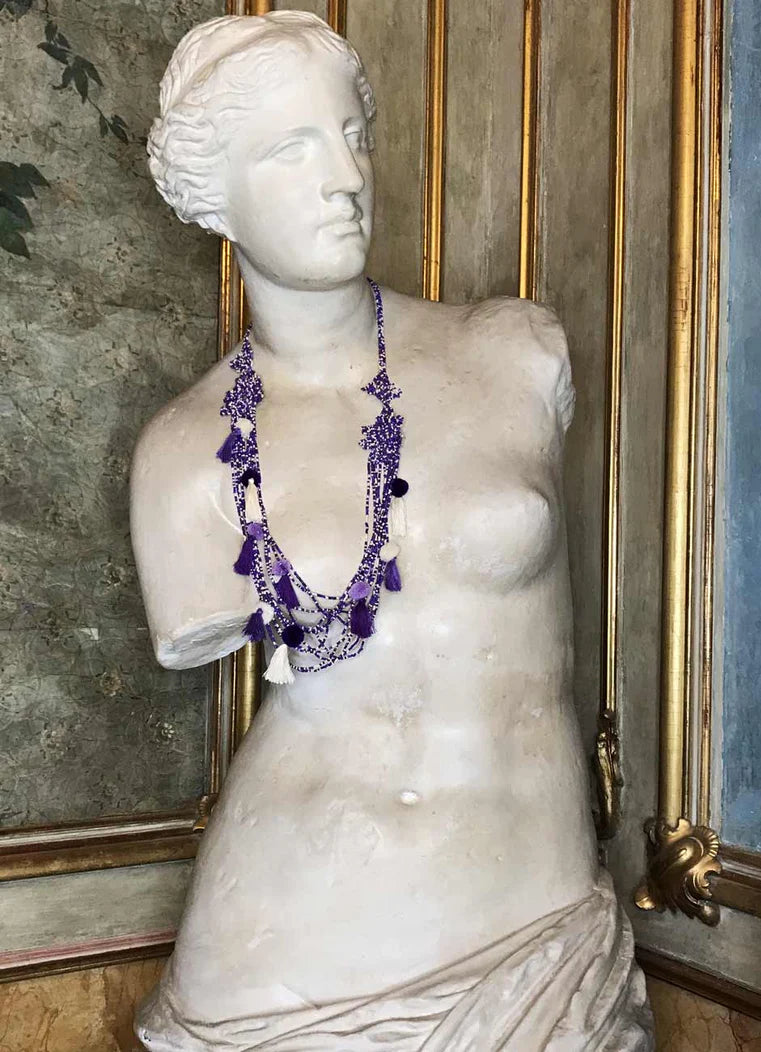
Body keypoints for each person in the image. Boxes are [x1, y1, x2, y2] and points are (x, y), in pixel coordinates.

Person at [132, 12, 653, 1049]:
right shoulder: (185, 455)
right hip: (290, 951)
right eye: (291, 149)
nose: (345, 178)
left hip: (534, 923)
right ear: (211, 196)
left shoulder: (514, 351)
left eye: (352, 135)